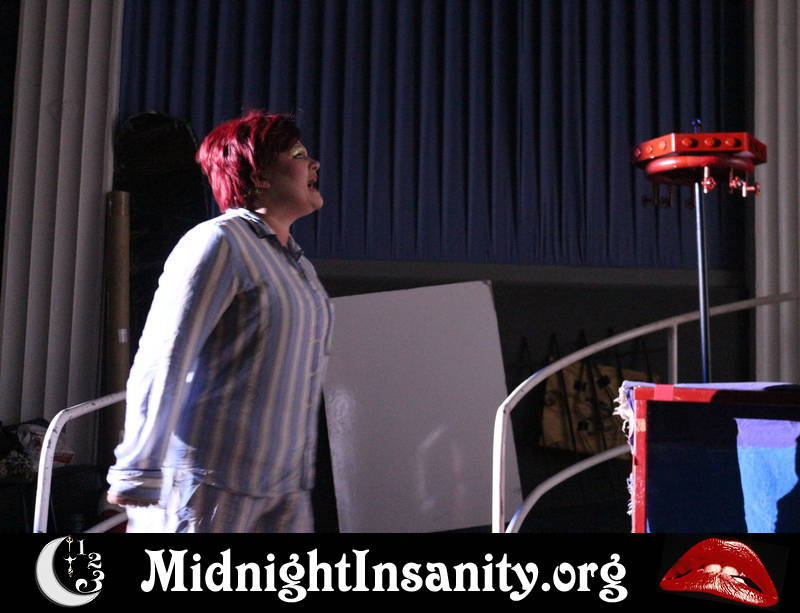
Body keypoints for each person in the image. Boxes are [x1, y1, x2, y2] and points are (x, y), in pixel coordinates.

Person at [106, 111, 333, 533]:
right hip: (211, 487)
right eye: (299, 154)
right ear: (259, 175)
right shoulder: (220, 242)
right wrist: (138, 468)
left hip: (285, 490)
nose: (314, 164)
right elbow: (164, 358)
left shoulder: (299, 267)